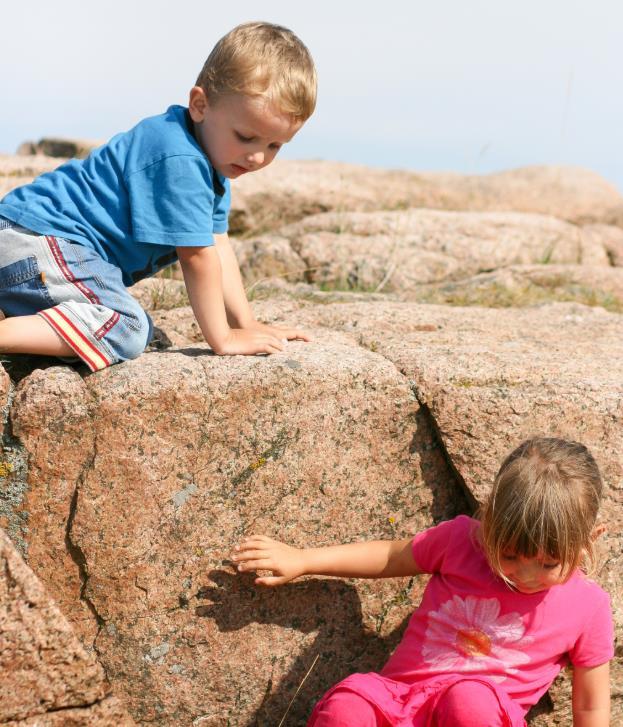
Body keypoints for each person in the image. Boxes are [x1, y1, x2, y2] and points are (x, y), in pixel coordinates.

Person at [0, 22, 315, 371]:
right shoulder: (181, 160)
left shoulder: (210, 160)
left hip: (30, 244)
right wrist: (222, 338)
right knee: (127, 328)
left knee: (131, 324)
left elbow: (218, 246)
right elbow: (197, 257)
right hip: (41, 241)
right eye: (245, 136)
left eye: (274, 145)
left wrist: (246, 325)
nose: (257, 157)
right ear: (200, 104)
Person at [232, 437, 613, 726]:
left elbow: (591, 703)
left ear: (589, 539)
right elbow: (390, 555)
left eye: (549, 564)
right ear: (490, 519)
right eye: (509, 555)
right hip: (398, 700)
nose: (525, 575)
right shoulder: (462, 541)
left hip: (476, 713)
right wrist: (304, 559)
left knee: (469, 698)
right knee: (348, 703)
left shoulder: (588, 606)